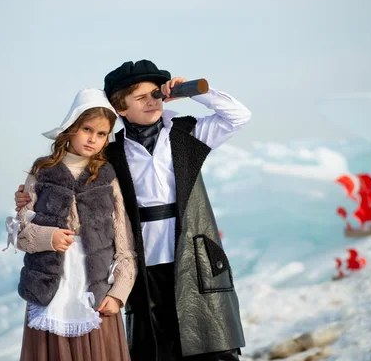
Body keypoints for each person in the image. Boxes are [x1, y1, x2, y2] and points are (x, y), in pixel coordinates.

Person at [16, 60, 251, 360]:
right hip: (144, 260)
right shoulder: (110, 152)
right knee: (157, 348)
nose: (152, 102)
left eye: (155, 94)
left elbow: (238, 117)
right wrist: (25, 197)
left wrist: (191, 92)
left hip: (193, 256)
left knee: (213, 346)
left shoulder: (186, 133)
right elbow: (69, 186)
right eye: (140, 98)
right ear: (120, 109)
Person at [6, 88, 137, 361]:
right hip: (51, 288)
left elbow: (124, 241)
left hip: (96, 289)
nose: (93, 139)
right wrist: (48, 237)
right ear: (71, 128)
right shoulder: (42, 172)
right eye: (87, 129)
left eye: (101, 134)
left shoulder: (107, 176)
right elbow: (19, 232)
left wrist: (118, 293)